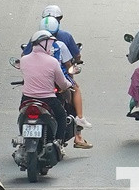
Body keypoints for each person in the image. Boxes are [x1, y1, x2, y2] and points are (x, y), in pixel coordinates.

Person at [40, 15, 93, 149]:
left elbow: (24, 58)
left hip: (39, 82)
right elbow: (72, 59)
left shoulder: (35, 42)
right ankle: (79, 129)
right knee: (74, 92)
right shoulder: (62, 41)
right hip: (59, 80)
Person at [20, 30, 74, 145]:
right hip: (48, 100)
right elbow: (62, 84)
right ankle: (59, 142)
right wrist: (69, 85)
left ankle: (22, 138)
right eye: (49, 43)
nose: (51, 46)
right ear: (43, 44)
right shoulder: (53, 62)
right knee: (62, 115)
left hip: (27, 99)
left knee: (22, 116)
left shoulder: (23, 60)